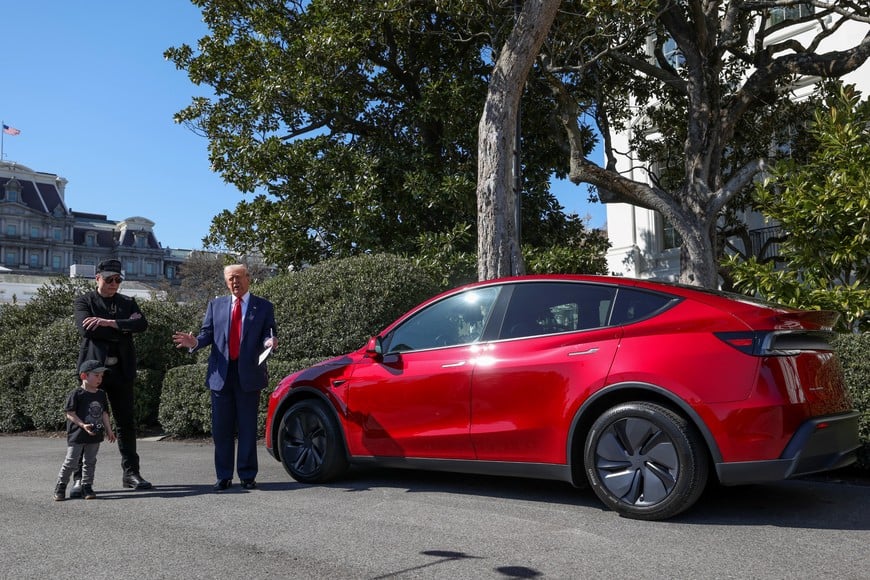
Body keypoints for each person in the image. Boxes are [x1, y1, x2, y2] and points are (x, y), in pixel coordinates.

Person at [172, 263, 277, 492]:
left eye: (238, 277)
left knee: (248, 428)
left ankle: (248, 475)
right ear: (226, 281)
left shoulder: (263, 307)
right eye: (230, 279)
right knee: (222, 428)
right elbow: (207, 334)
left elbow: (269, 334)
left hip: (249, 375)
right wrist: (196, 342)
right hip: (221, 376)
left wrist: (270, 342)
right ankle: (224, 476)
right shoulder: (216, 305)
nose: (235, 282)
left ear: (248, 278)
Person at [72, 258, 151, 497]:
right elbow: (86, 328)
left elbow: (142, 325)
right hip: (94, 371)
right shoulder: (84, 301)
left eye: (118, 280)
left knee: (126, 423)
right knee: (87, 423)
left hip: (121, 370)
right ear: (97, 278)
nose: (114, 284)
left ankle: (131, 473)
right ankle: (80, 479)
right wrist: (123, 328)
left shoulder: (127, 302)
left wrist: (109, 322)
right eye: (109, 279)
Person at [54, 360, 117, 501]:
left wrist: (109, 430)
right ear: (84, 376)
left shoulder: (101, 394)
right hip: (77, 435)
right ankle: (61, 486)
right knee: (71, 462)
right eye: (96, 375)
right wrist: (83, 425)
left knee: (90, 461)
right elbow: (70, 413)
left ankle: (87, 486)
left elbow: (104, 413)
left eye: (101, 376)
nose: (100, 379)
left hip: (95, 435)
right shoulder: (76, 394)